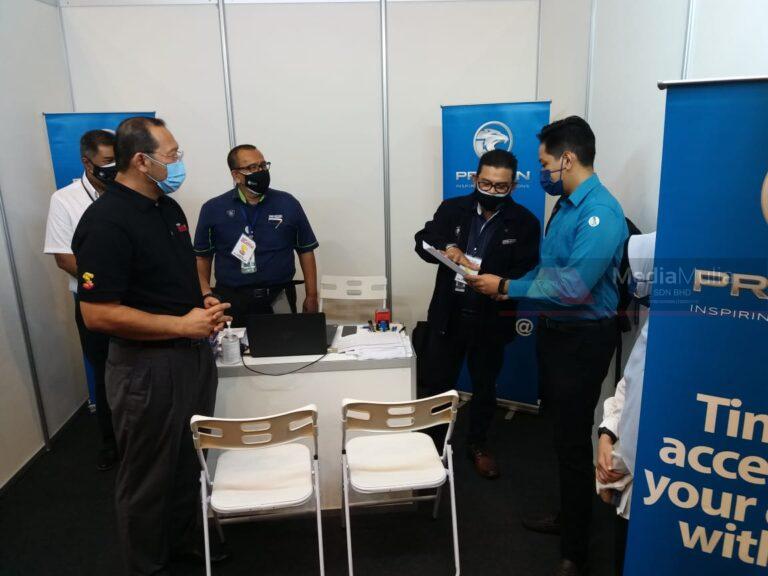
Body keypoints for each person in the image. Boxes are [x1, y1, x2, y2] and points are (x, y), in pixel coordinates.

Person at [468, 116, 628, 576]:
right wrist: (506, 284)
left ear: (567, 159)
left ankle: (576, 551)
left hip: (583, 340)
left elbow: (574, 287)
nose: (540, 172)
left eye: (544, 163)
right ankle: (568, 515)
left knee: (573, 441)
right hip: (556, 334)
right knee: (561, 436)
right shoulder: (565, 206)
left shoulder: (602, 213)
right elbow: (547, 270)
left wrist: (506, 287)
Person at [72, 116, 232, 576]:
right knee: (148, 474)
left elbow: (176, 277)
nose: (179, 162)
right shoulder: (106, 222)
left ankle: (182, 545)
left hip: (191, 358)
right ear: (141, 161)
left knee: (187, 463)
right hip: (146, 368)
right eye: (172, 154)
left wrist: (202, 300)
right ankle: (146, 564)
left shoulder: (168, 208)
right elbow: (97, 314)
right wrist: (181, 324)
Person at [415, 149, 541, 479]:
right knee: (437, 384)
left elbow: (527, 269)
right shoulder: (452, 209)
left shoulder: (525, 222)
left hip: (490, 318)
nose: (492, 191)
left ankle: (478, 444)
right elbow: (423, 239)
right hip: (449, 314)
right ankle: (432, 445)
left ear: (513, 186)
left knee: (484, 387)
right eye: (485, 183)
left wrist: (501, 284)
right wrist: (448, 247)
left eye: (501, 186)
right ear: (474, 179)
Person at [44, 129, 118, 471]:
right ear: (87, 163)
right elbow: (64, 258)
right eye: (107, 161)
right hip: (94, 303)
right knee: (104, 373)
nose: (114, 167)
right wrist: (106, 282)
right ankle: (111, 442)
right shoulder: (65, 200)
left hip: (136, 300)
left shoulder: (129, 193)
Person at [194, 144, 319, 326]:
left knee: (284, 342)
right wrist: (205, 295)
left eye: (263, 165)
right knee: (236, 344)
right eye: (252, 167)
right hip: (232, 300)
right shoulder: (213, 209)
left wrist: (311, 295)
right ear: (236, 175)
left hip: (279, 296)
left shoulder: (287, 203)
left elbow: (306, 250)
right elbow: (202, 258)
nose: (260, 171)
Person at [595, 232, 655, 576]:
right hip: (627, 470)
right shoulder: (655, 319)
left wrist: (616, 462)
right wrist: (607, 434)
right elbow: (630, 383)